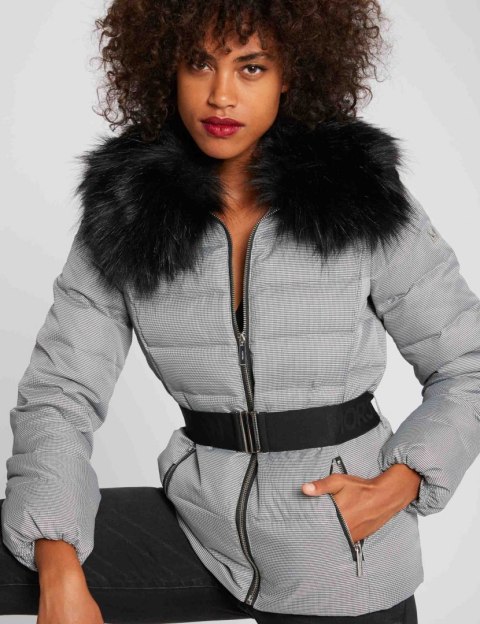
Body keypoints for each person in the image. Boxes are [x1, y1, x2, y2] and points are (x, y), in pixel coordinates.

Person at [1, 1, 480, 623]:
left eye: (251, 68)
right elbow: (60, 394)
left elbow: (468, 365)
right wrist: (58, 564)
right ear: (165, 68)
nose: (221, 95)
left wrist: (401, 482)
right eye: (200, 63)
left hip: (336, 547)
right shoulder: (126, 212)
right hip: (203, 524)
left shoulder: (357, 197)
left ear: (291, 75)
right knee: (21, 547)